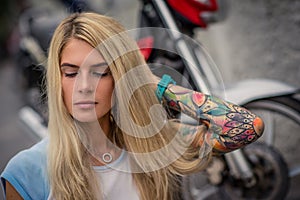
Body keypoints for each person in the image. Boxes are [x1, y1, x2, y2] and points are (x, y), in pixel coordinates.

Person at [1, 12, 264, 200]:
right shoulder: (26, 170)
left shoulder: (152, 142)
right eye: (70, 73)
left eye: (100, 72)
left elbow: (246, 127)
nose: (83, 86)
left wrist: (154, 84)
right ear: (57, 80)